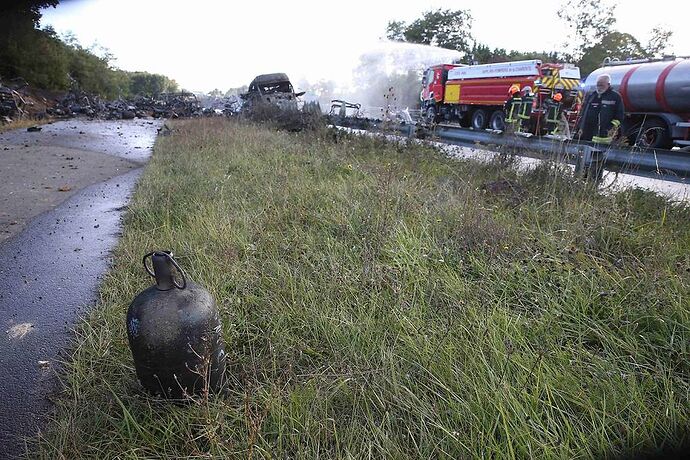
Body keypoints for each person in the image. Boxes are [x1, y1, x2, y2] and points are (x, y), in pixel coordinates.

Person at [575, 74, 625, 144]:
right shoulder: (592, 96)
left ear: (608, 84)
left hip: (603, 135)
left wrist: (609, 127)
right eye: (598, 85)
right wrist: (580, 127)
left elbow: (620, 115)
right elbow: (583, 113)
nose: (599, 87)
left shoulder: (615, 97)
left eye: (601, 85)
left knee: (598, 152)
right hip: (587, 132)